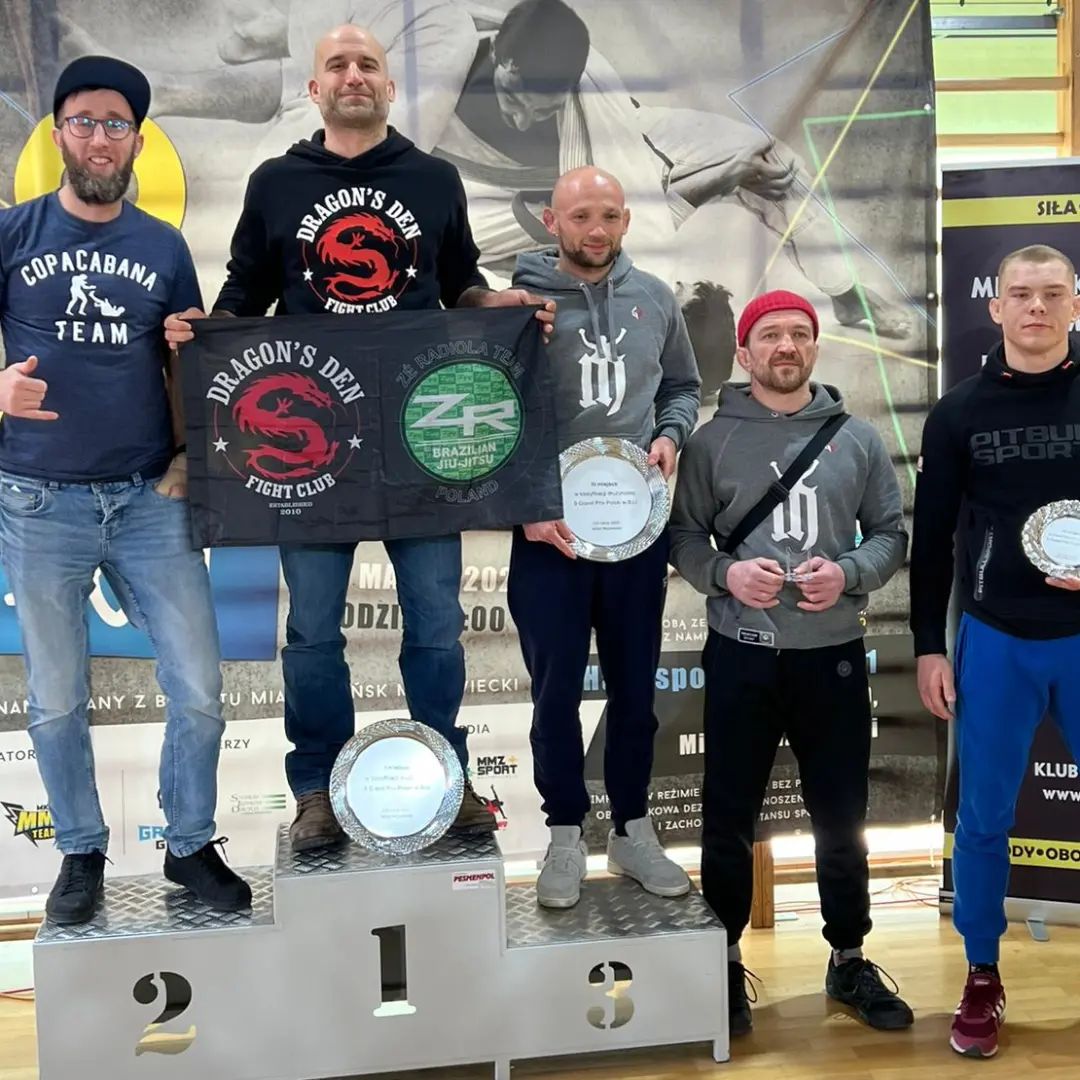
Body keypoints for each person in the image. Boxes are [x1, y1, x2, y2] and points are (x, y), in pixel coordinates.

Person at [165, 23, 553, 853]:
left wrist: (503, 311)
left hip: (420, 438)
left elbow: (460, 287)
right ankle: (315, 788)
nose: (353, 76)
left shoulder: (433, 177)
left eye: (367, 65)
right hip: (313, 439)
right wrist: (204, 333)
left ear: (388, 86)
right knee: (310, 630)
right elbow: (245, 292)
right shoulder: (276, 182)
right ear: (315, 89)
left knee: (437, 623)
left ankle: (445, 779)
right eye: (336, 65)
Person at [0, 55, 251, 924]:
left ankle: (188, 845)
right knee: (58, 697)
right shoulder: (13, 233)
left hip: (151, 498)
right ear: (59, 136)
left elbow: (185, 359)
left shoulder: (161, 244)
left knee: (199, 688)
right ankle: (79, 852)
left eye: (115, 123)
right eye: (83, 122)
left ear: (137, 140)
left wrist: (188, 457)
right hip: (39, 501)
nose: (99, 138)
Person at [669, 290, 912, 1036]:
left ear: (814, 348)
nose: (786, 345)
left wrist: (849, 574)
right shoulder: (711, 443)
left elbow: (892, 537)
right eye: (770, 334)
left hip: (831, 658)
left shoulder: (860, 440)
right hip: (742, 657)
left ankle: (847, 957)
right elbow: (683, 538)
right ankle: (725, 959)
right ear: (744, 354)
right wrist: (724, 576)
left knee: (842, 818)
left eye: (799, 334)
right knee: (727, 817)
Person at [508, 165, 701, 908]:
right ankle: (563, 833)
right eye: (581, 216)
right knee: (555, 693)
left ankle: (632, 829)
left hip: (636, 531)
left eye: (611, 216)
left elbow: (682, 386)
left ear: (627, 221)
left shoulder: (655, 298)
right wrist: (523, 503)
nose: (598, 231)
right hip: (547, 533)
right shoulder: (518, 305)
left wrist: (670, 436)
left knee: (635, 691)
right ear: (551, 223)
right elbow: (491, 407)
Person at [910, 243, 1080, 1060]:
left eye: (1053, 294)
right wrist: (927, 649)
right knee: (983, 820)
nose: (1037, 308)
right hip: (998, 638)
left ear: (1075, 307)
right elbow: (932, 542)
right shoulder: (958, 412)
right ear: (997, 307)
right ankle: (982, 971)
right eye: (1023, 294)